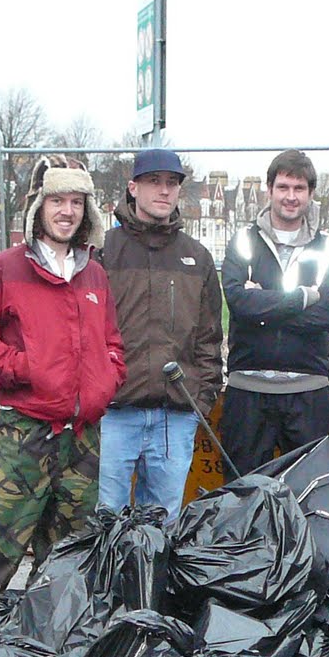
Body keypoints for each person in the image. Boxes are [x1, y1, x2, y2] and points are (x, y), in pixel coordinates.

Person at [0, 156, 125, 622]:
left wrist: (106, 377)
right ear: (38, 207)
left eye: (76, 202)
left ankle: (45, 647)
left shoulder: (93, 274)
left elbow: (112, 342)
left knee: (69, 557)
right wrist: (27, 369)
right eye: (57, 200)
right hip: (25, 435)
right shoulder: (4, 270)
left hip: (83, 439)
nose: (67, 211)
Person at [97, 147, 223, 517]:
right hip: (114, 413)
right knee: (106, 519)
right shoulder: (104, 251)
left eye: (172, 183)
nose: (164, 190)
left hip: (175, 416)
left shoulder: (197, 258)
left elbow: (209, 337)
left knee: (163, 523)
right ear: (133, 188)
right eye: (154, 181)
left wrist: (200, 400)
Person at [219, 149, 329, 473]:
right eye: (283, 187)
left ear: (311, 193)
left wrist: (263, 308)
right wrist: (303, 298)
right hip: (248, 390)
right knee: (243, 494)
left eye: (299, 188)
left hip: (308, 391)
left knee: (310, 493)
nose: (291, 196)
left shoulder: (327, 248)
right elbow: (239, 303)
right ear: (269, 190)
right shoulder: (243, 241)